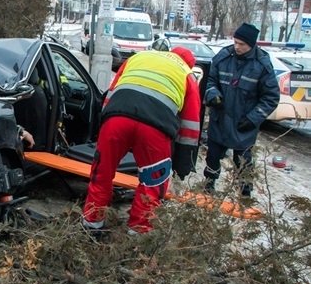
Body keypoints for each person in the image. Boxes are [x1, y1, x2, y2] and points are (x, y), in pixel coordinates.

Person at [82, 47, 201, 234]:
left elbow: (111, 93)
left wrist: (104, 128)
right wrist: (183, 162)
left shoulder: (139, 57)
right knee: (152, 182)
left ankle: (92, 223)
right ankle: (138, 232)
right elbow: (190, 125)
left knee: (102, 172)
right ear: (189, 64)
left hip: (117, 118)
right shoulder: (186, 74)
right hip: (155, 128)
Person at [203, 23, 279, 197]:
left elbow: (271, 97)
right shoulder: (223, 57)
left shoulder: (262, 65)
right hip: (219, 120)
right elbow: (210, 80)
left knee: (243, 163)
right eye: (235, 42)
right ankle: (208, 187)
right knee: (212, 158)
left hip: (243, 124)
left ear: (251, 44)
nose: (237, 46)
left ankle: (245, 194)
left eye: (241, 44)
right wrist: (212, 94)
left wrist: (253, 118)